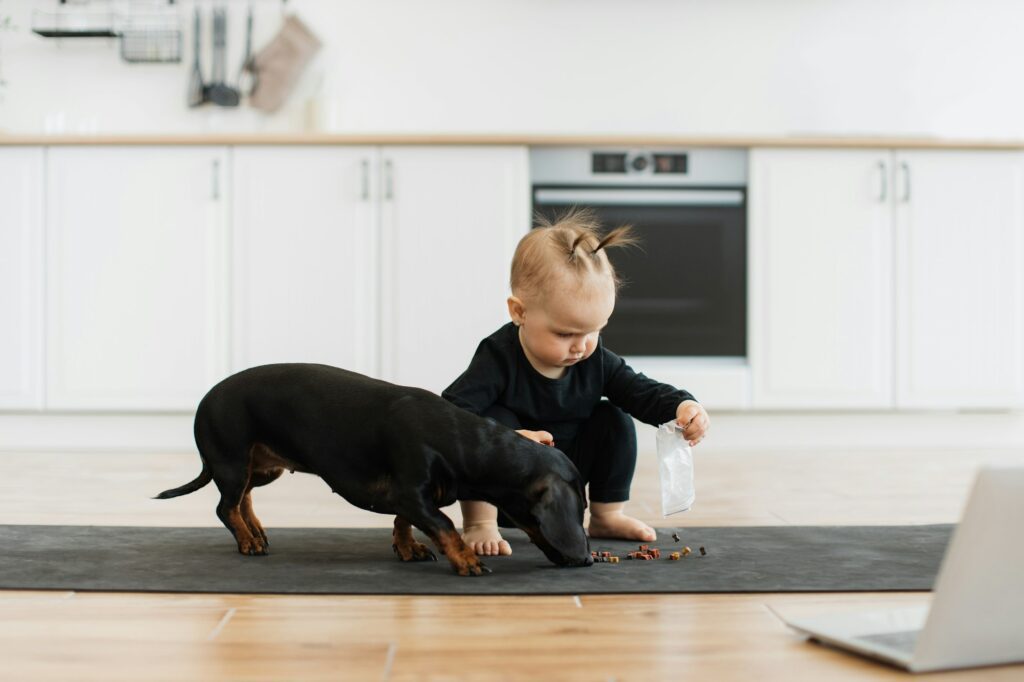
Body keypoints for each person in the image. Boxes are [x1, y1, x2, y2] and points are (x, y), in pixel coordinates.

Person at [442, 208, 709, 556]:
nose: (582, 345)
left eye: (594, 330)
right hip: (509, 486)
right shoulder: (497, 357)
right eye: (566, 333)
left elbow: (638, 390)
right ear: (519, 312)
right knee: (490, 420)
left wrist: (682, 405)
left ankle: (606, 514)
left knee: (613, 418)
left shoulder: (593, 359)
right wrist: (503, 441)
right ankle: (480, 523)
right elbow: (448, 415)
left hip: (567, 481)